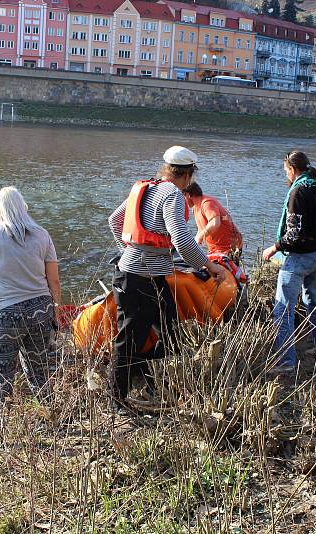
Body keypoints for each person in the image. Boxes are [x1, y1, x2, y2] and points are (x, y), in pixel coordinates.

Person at [108, 146, 227, 408]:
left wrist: (127, 251)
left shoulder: (146, 188)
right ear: (188, 176)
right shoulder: (172, 194)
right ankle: (116, 399)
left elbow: (115, 220)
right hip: (140, 278)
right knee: (130, 339)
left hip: (137, 275)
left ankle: (149, 377)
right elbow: (183, 241)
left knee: (170, 329)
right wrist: (208, 266)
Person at [0, 187, 61, 430]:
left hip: (5, 314)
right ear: (23, 208)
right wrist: (55, 306)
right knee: (39, 371)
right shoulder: (42, 235)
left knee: (0, 377)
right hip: (40, 310)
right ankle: (50, 425)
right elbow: (53, 280)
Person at [262, 151, 316, 371]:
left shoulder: (298, 191)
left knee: (282, 310)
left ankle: (285, 361)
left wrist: (274, 247)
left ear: (292, 170)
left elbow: (293, 234)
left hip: (300, 260)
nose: (285, 175)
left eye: (285, 171)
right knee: (314, 304)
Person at [182, 182, 243, 260]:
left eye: (182, 197)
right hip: (215, 250)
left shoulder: (207, 203)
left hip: (229, 249)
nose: (183, 201)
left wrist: (200, 237)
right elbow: (201, 230)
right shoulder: (195, 208)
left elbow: (215, 223)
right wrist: (192, 246)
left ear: (188, 195)